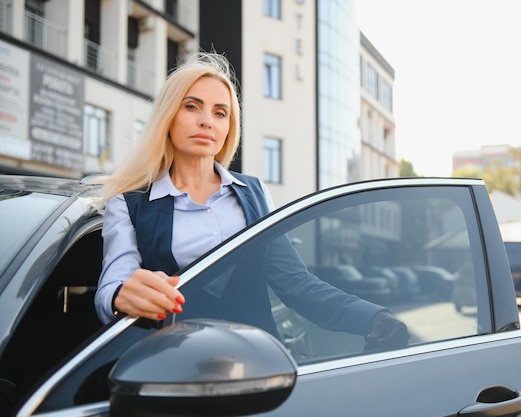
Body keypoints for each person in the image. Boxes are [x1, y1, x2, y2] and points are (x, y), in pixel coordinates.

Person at [94, 52, 408, 350]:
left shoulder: (253, 193)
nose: (207, 121)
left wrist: (372, 318)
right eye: (192, 107)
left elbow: (296, 283)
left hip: (256, 363)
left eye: (220, 113)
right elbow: (112, 285)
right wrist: (122, 294)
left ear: (229, 127)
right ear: (168, 116)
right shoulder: (129, 201)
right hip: (170, 367)